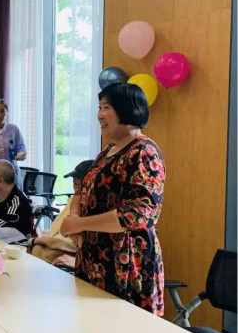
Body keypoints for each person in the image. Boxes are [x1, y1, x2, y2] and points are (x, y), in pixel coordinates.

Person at [60, 83, 166, 316]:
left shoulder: (143, 152)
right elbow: (82, 190)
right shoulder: (107, 152)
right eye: (99, 107)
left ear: (127, 109)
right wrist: (74, 218)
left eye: (106, 107)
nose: (99, 115)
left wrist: (80, 224)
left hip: (125, 266)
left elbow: (136, 214)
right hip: (94, 262)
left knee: (123, 332)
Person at [27, 160, 94, 269]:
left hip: (71, 252)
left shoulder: (91, 207)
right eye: (74, 183)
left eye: (79, 184)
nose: (76, 188)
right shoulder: (73, 201)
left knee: (39, 252)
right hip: (57, 244)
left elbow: (72, 239)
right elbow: (56, 228)